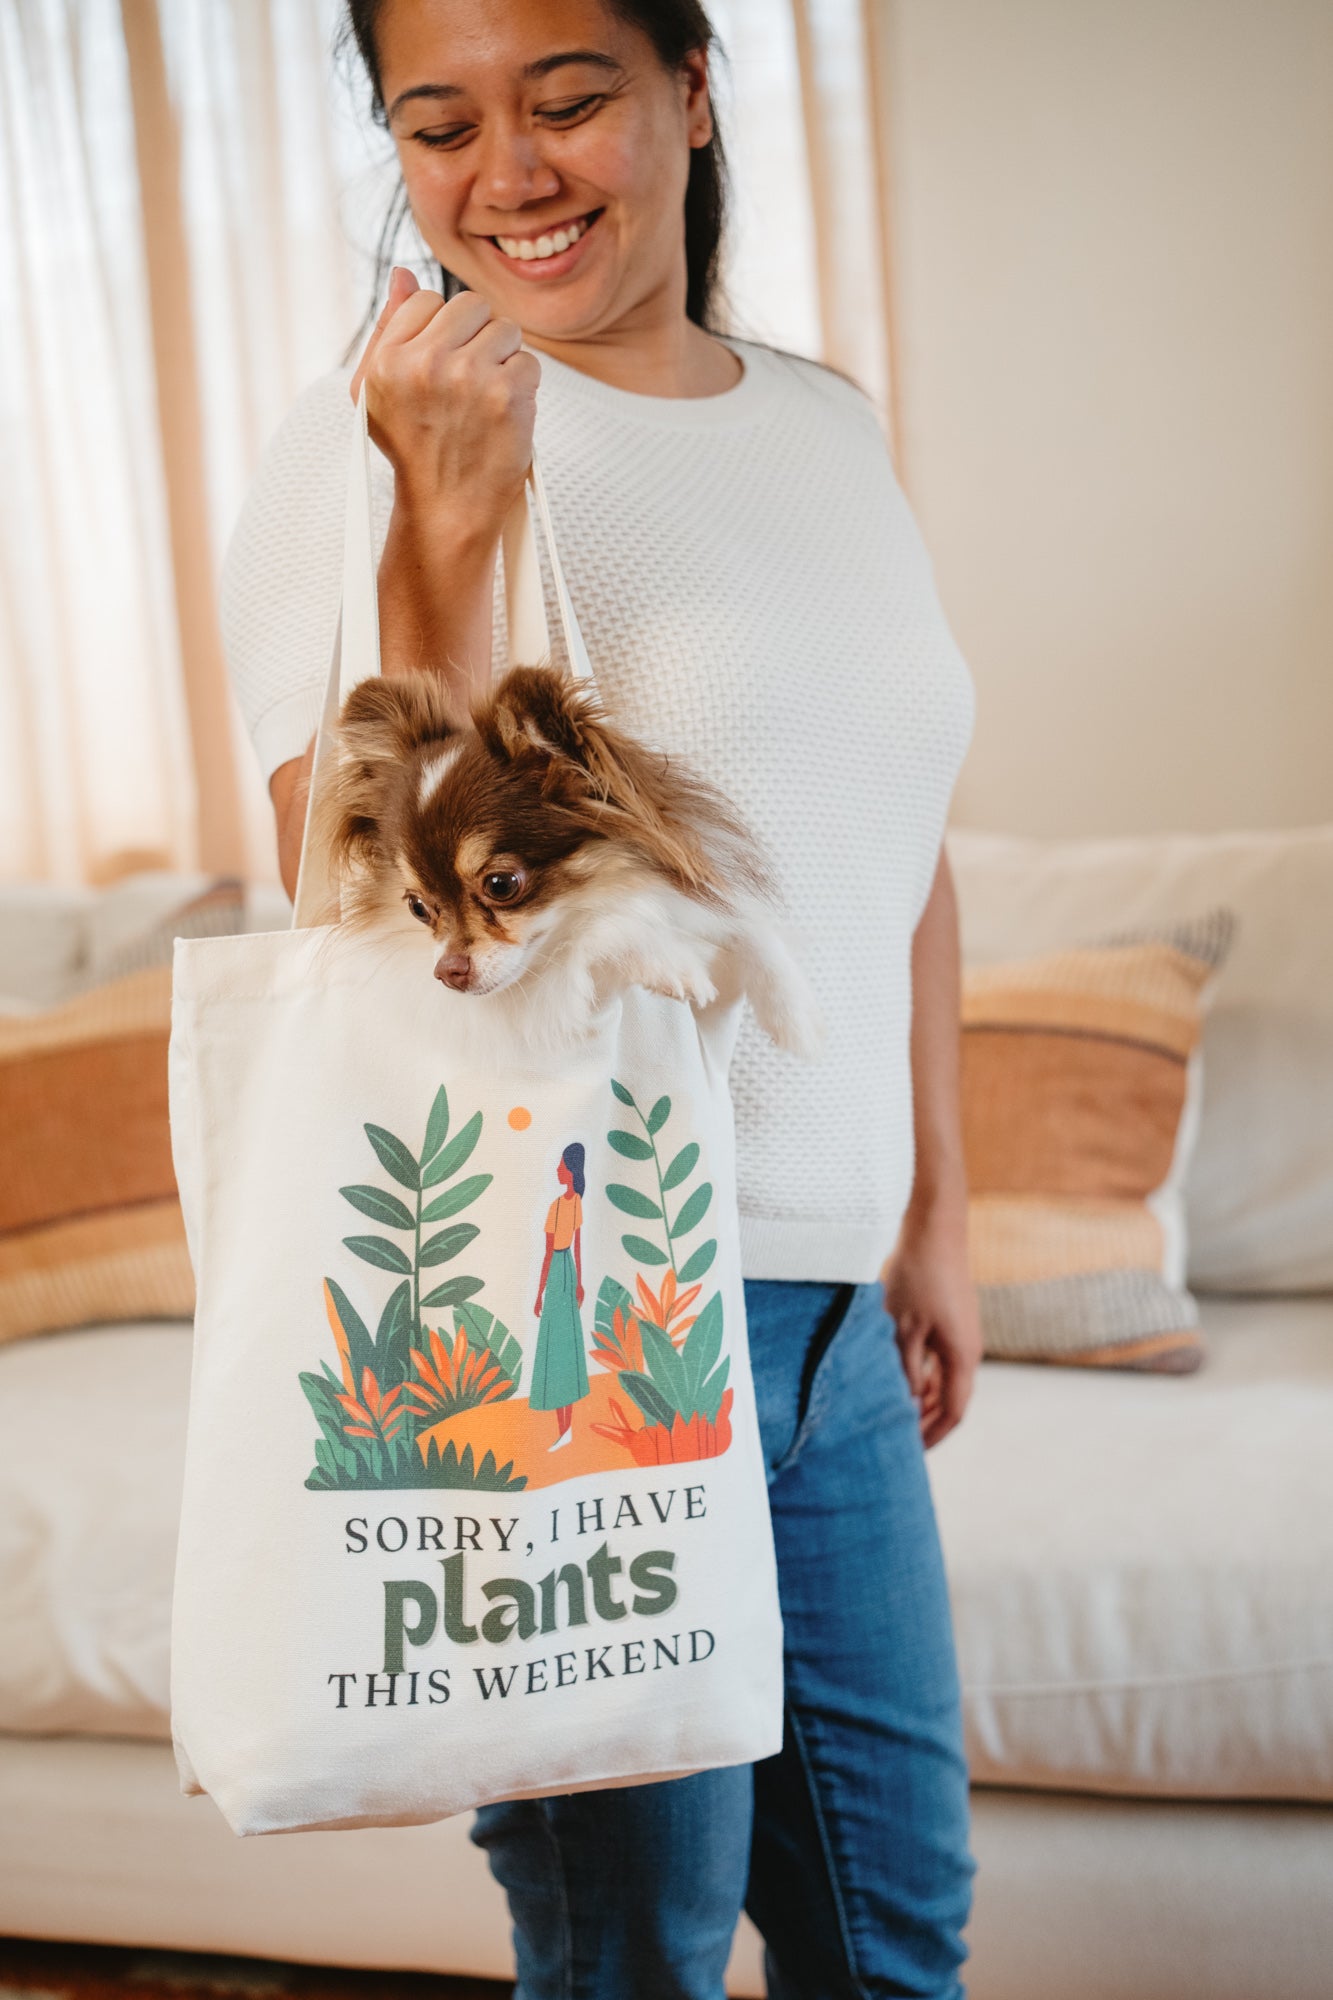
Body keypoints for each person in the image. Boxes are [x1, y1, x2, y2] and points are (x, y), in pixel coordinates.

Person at [221, 2, 985, 1992]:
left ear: (692, 90)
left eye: (567, 101)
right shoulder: (365, 445)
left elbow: (897, 843)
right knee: (631, 1949)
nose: (511, 175)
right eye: (440, 125)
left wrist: (935, 1210)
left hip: (830, 1324)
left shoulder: (822, 425)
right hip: (588, 1320)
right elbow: (359, 903)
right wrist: (442, 525)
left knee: (895, 1940)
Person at [531, 1141, 589, 1448]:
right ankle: (562, 1428)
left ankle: (567, 1428)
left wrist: (578, 1283)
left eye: (561, 1165)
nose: (557, 1169)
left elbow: (571, 1246)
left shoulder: (569, 1204)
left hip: (563, 1271)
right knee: (557, 1346)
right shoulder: (560, 1205)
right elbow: (555, 1251)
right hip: (559, 1271)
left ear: (570, 1170)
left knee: (563, 1347)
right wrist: (541, 1292)